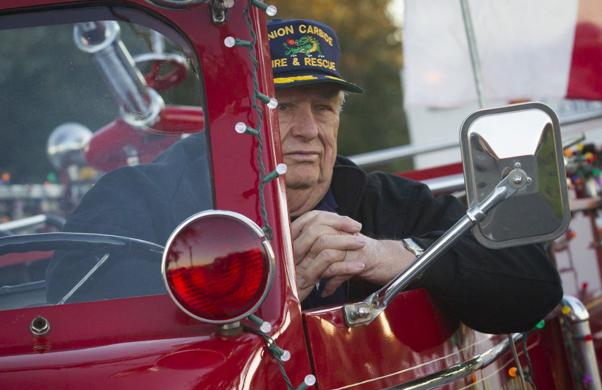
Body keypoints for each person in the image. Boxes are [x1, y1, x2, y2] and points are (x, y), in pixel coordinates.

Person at [47, 18, 562, 334]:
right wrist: (265, 280)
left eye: (324, 106)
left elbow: (534, 285)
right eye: (283, 106)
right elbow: (73, 301)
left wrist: (395, 256)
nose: (309, 130)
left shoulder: (378, 202)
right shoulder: (140, 198)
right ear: (233, 114)